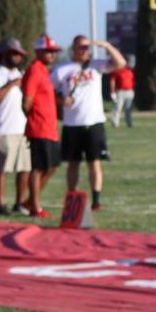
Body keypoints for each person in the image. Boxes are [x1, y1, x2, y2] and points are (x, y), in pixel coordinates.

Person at [52, 35, 127, 211]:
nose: (84, 51)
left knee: (94, 162)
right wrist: (61, 100)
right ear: (73, 49)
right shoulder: (61, 69)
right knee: (73, 163)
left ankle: (96, 200)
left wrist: (106, 46)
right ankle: (73, 198)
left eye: (87, 47)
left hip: (94, 122)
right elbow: (49, 90)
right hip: (72, 123)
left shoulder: (96, 65)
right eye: (81, 47)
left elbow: (121, 63)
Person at [0, 38, 30, 215]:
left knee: (24, 168)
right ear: (4, 54)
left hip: (23, 128)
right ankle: (0, 205)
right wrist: (11, 84)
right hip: (3, 128)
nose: (18, 57)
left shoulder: (20, 73)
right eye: (14, 54)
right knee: (2, 169)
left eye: (20, 54)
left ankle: (19, 203)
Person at [23, 36, 61, 216]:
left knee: (52, 166)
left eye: (54, 52)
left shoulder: (44, 71)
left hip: (50, 127)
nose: (52, 55)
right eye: (48, 51)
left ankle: (30, 201)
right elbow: (27, 101)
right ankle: (35, 207)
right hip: (39, 127)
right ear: (38, 52)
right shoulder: (34, 70)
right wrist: (34, 118)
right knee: (38, 168)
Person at [108, 59, 136, 128]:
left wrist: (133, 90)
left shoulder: (130, 71)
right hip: (120, 91)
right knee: (118, 108)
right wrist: (112, 92)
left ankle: (129, 123)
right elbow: (112, 81)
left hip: (130, 91)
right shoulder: (117, 71)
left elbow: (133, 81)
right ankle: (115, 123)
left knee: (128, 109)